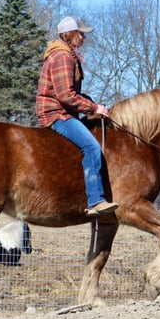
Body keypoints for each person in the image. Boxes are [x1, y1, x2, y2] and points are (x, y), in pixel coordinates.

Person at [35, 16, 119, 216]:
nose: (83, 37)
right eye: (80, 33)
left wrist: (90, 104)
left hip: (62, 111)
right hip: (57, 114)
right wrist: (93, 108)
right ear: (68, 35)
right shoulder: (63, 57)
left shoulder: (66, 55)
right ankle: (96, 200)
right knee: (91, 147)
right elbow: (66, 96)